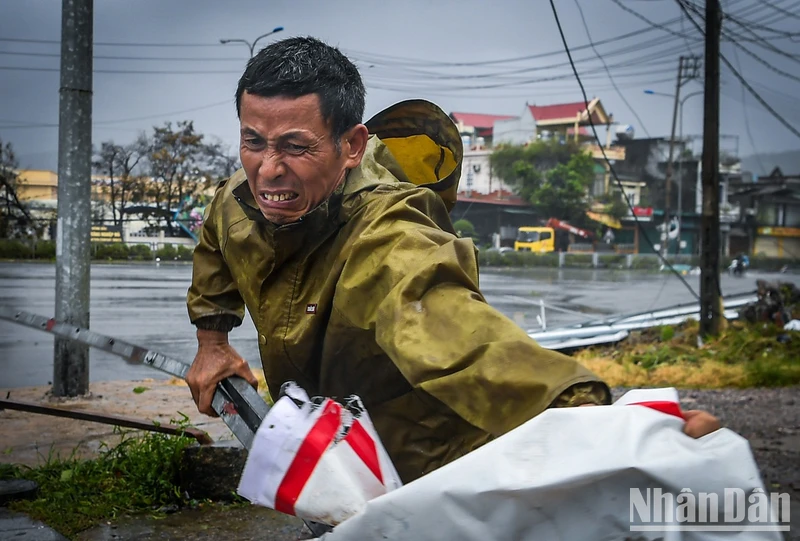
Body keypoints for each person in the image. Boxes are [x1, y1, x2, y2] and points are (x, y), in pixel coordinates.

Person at [185, 37, 720, 483]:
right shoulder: (239, 198)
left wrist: (606, 425)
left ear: (351, 146)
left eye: (296, 147)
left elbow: (456, 332)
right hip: (325, 446)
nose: (268, 169)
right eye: (253, 141)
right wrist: (213, 343)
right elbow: (217, 244)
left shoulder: (389, 236)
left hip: (424, 461)